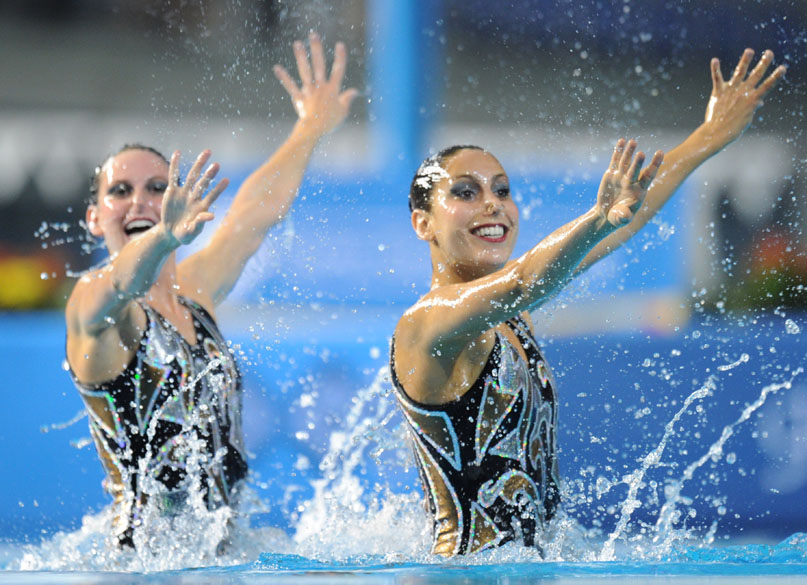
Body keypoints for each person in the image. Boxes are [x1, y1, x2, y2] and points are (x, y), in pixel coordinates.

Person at [389, 49, 786, 557]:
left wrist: (710, 136)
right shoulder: (426, 324)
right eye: (465, 192)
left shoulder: (510, 315)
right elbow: (525, 279)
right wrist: (599, 218)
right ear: (424, 224)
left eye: (502, 190)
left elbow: (627, 222)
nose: (492, 203)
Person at [65, 33, 357, 548]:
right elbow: (123, 280)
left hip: (220, 554)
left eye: (158, 187)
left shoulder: (192, 292)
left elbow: (252, 216)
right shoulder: (95, 305)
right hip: (144, 565)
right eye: (120, 191)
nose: (140, 201)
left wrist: (310, 127)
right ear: (94, 219)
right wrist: (162, 237)